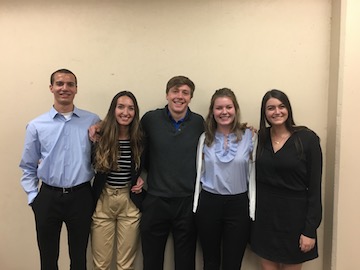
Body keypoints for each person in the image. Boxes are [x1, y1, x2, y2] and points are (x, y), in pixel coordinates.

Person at [19, 68, 101, 270]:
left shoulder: (92, 121)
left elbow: (104, 153)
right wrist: (33, 196)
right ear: (51, 88)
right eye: (60, 84)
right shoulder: (37, 125)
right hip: (48, 197)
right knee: (48, 258)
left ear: (76, 89)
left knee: (79, 257)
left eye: (70, 84)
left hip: (81, 196)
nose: (65, 88)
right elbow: (28, 166)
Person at [250, 89, 323, 270]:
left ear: (288, 109)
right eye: (271, 108)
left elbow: (315, 188)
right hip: (265, 217)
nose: (277, 112)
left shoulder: (307, 139)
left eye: (281, 106)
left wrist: (310, 230)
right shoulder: (260, 138)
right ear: (264, 113)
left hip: (295, 219)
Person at [140, 76, 204, 270]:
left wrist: (247, 130)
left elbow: (222, 135)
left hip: (187, 202)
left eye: (185, 93)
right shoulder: (150, 119)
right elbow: (129, 137)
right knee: (151, 260)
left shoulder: (199, 123)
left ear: (191, 98)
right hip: (156, 199)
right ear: (167, 94)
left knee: (185, 262)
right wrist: (98, 126)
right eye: (175, 91)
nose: (179, 96)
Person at [193, 88, 255, 270]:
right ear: (212, 111)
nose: (224, 112)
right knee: (210, 261)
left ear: (235, 109)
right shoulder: (205, 138)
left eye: (228, 107)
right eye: (219, 108)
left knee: (233, 263)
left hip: (238, 205)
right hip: (209, 204)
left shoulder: (251, 137)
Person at [91, 91, 145, 270]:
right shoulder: (100, 136)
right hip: (103, 201)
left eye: (131, 108)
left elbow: (148, 165)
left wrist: (141, 180)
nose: (125, 112)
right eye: (121, 107)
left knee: (125, 265)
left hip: (129, 202)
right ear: (113, 110)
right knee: (101, 264)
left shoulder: (140, 139)